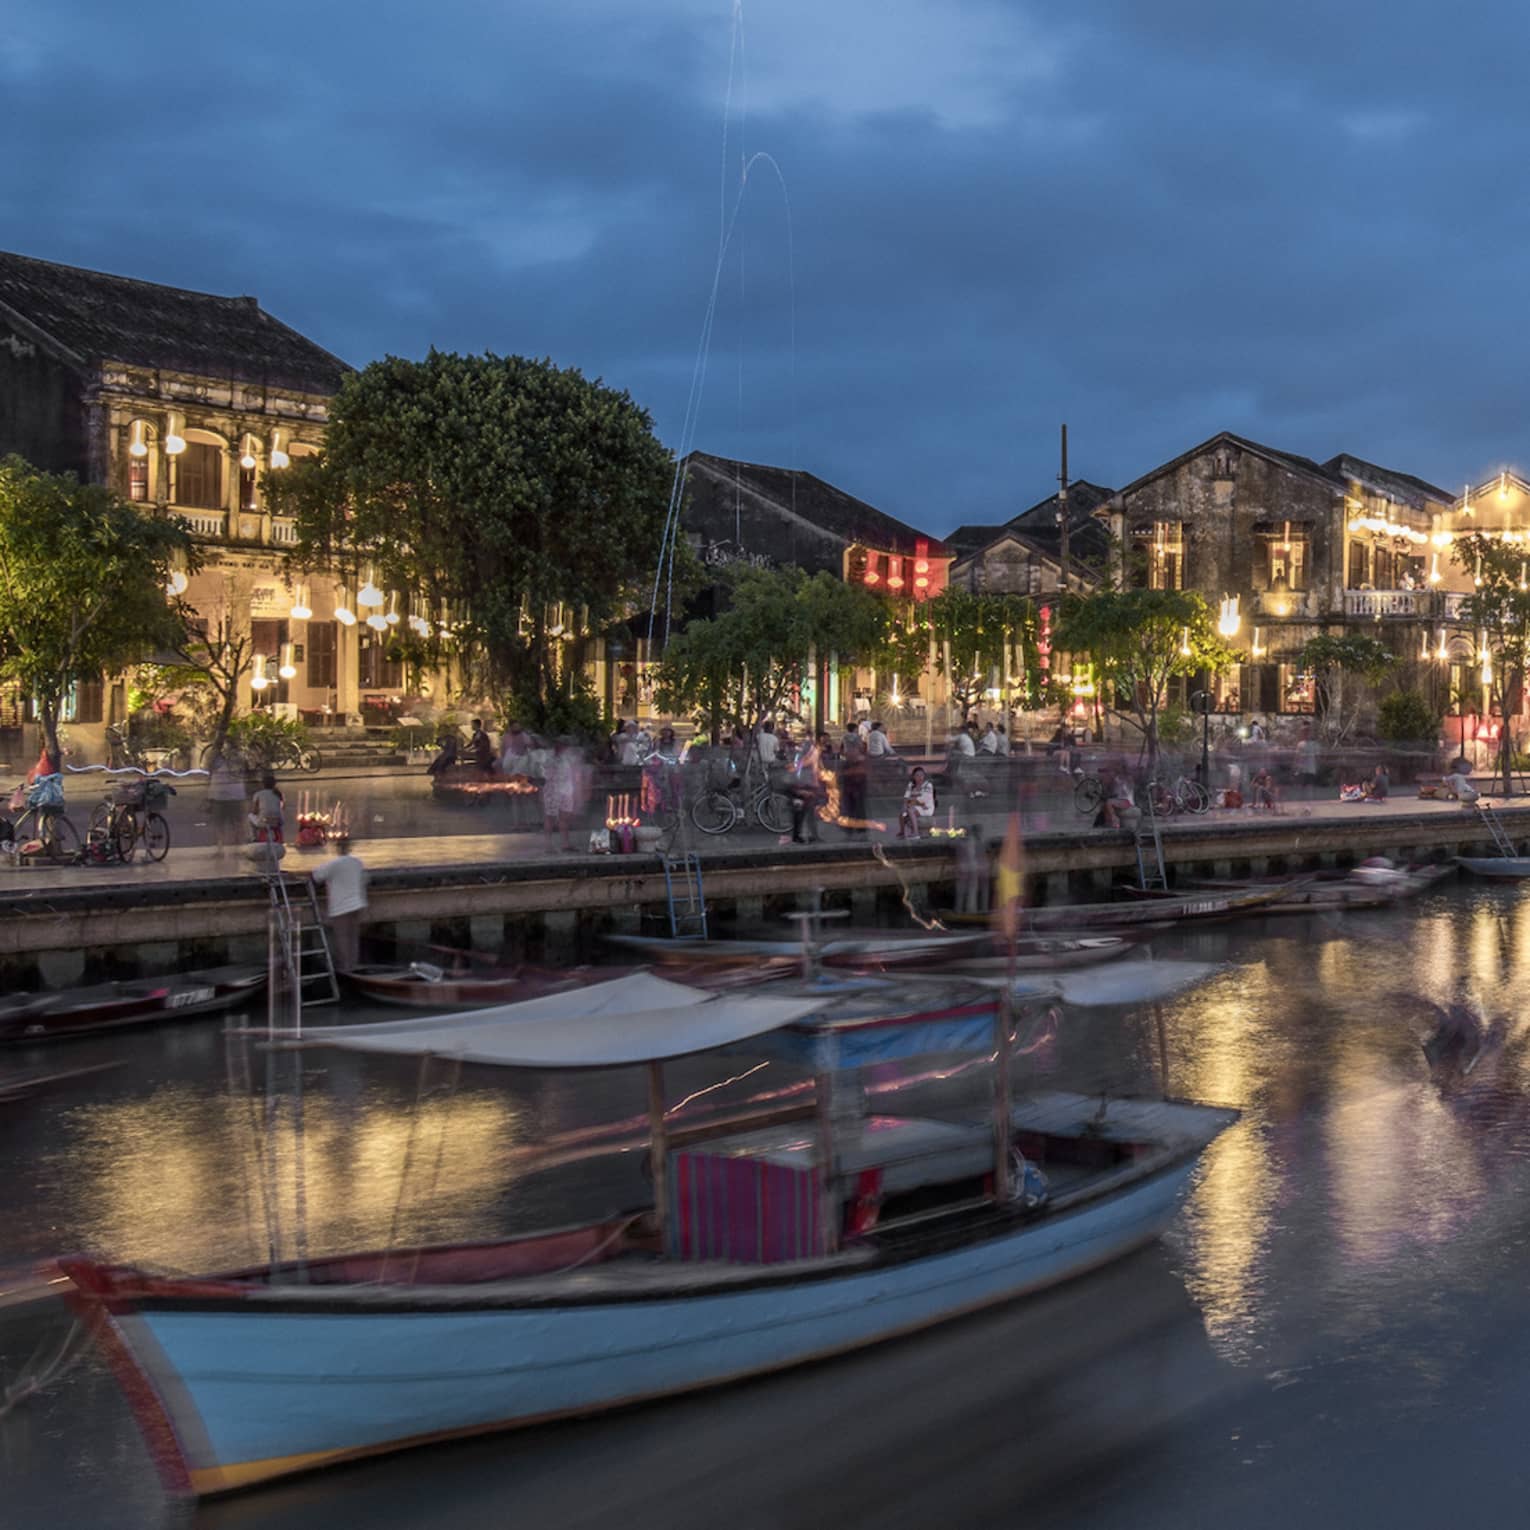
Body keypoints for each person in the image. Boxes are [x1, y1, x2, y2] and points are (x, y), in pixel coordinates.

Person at [309, 835, 368, 973]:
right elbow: (364, 880)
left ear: (337, 848)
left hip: (341, 907)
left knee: (342, 939)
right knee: (353, 938)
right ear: (350, 847)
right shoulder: (357, 862)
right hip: (357, 905)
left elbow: (316, 876)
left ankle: (345, 968)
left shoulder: (334, 864)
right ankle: (353, 965)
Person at [542, 737, 582, 851]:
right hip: (553, 790)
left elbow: (573, 773)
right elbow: (546, 775)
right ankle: (548, 844)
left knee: (564, 818)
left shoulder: (567, 758)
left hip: (566, 790)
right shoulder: (549, 759)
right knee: (550, 817)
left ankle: (565, 844)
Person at [788, 733, 828, 844]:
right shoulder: (808, 759)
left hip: (802, 788)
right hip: (805, 788)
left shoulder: (802, 757)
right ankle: (805, 835)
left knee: (804, 813)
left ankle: (805, 835)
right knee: (804, 813)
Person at [207, 750, 246, 848]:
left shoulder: (216, 760)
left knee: (220, 824)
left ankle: (220, 846)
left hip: (220, 796)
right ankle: (237, 846)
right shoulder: (238, 758)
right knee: (236, 823)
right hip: (235, 796)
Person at [839, 737, 869, 839]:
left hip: (858, 789)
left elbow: (862, 775)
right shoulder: (847, 762)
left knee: (860, 811)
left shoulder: (861, 761)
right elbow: (843, 776)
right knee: (849, 811)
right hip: (848, 790)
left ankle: (861, 832)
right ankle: (850, 832)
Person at [955, 825, 989, 914]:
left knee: (961, 892)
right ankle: (974, 911)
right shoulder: (977, 841)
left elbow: (951, 844)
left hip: (964, 869)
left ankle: (959, 910)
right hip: (975, 868)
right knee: (974, 892)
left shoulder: (959, 842)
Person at [899, 766, 935, 839]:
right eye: (917, 775)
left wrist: (911, 800)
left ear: (924, 776)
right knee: (902, 813)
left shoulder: (928, 785)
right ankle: (902, 832)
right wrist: (906, 804)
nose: (919, 777)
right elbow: (906, 797)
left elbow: (923, 799)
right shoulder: (911, 785)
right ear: (913, 776)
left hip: (926, 807)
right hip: (914, 805)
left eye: (921, 775)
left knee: (910, 810)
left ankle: (916, 833)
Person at [249, 772, 284, 843]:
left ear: (263, 784)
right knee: (279, 815)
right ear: (274, 784)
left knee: (250, 816)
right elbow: (282, 807)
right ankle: (280, 837)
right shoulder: (278, 794)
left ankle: (254, 838)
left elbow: (254, 811)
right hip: (277, 822)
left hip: (263, 822)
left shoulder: (258, 794)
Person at [1295, 725, 1319, 793]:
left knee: (1310, 787)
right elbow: (1297, 757)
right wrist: (1297, 767)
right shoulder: (1300, 744)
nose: (1305, 734)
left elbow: (1317, 756)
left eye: (1307, 732)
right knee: (1301, 787)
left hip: (1311, 769)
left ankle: (1311, 801)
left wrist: (1317, 767)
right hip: (1302, 769)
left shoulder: (1314, 744)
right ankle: (1302, 801)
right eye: (1304, 732)